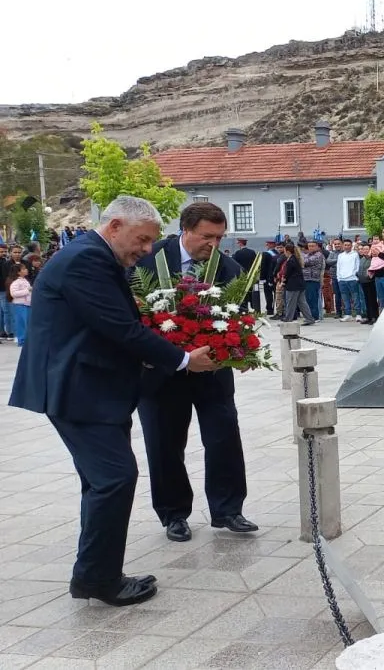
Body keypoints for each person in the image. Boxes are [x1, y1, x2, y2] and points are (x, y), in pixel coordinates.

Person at [8, 195, 218, 607]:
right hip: (78, 389)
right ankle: (98, 580)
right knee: (114, 479)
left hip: (91, 388)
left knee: (102, 483)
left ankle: (95, 574)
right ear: (116, 225)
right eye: (141, 241)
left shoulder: (92, 256)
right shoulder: (86, 260)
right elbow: (119, 327)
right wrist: (182, 359)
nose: (144, 250)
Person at [135, 202, 259, 543]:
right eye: (207, 236)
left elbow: (239, 315)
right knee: (164, 444)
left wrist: (243, 350)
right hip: (161, 373)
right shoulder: (148, 260)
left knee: (223, 438)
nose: (214, 244)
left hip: (212, 372)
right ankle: (174, 514)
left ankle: (228, 509)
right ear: (186, 229)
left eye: (220, 237)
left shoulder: (229, 268)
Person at [281, 244, 317, 325]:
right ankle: (309, 318)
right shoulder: (296, 259)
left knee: (290, 303)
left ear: (288, 251)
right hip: (300, 284)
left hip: (293, 285)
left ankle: (288, 319)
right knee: (302, 303)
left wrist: (284, 281)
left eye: (284, 251)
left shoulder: (291, 260)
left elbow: (288, 273)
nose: (284, 253)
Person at [336, 240, 364, 322]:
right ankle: (348, 314)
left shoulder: (355, 254)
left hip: (352, 279)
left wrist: (355, 276)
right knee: (345, 298)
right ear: (343, 246)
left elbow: (357, 266)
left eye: (348, 245)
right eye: (345, 245)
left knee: (355, 297)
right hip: (342, 279)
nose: (347, 246)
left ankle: (358, 314)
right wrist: (339, 278)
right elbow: (338, 267)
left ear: (351, 246)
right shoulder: (340, 255)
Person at [7, 262, 32, 346]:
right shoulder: (15, 282)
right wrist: (27, 291)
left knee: (27, 322)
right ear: (18, 272)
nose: (26, 270)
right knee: (21, 323)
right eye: (24, 269)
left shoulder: (25, 280)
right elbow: (13, 293)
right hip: (20, 305)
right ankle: (21, 340)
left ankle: (27, 340)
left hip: (27, 304)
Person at [231, 238, 259, 311]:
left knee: (243, 293)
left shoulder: (237, 253)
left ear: (240, 243)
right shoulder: (252, 252)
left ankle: (245, 308)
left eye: (238, 243)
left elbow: (235, 264)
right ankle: (254, 308)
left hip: (242, 276)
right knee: (252, 293)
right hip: (252, 275)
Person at [356, 243, 379, 324]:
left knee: (372, 300)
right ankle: (368, 317)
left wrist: (369, 276)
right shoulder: (362, 259)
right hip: (363, 282)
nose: (365, 251)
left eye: (366, 249)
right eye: (363, 249)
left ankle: (374, 316)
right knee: (366, 300)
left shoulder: (373, 259)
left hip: (370, 282)